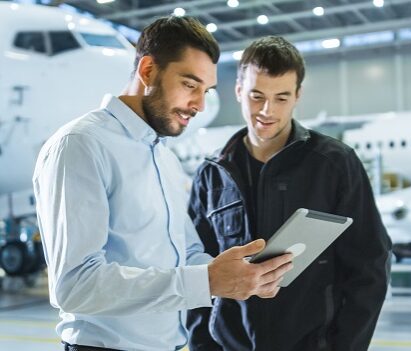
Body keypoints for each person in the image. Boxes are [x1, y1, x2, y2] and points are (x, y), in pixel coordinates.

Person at [32, 17, 293, 351]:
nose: (199, 104)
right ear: (147, 71)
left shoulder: (163, 157)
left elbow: (185, 254)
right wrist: (206, 280)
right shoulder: (82, 144)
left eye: (205, 91)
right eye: (189, 85)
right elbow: (76, 285)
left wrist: (242, 277)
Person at [187, 36, 392, 351]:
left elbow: (370, 265)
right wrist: (203, 346)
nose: (267, 111)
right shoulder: (212, 175)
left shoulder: (334, 164)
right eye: (256, 96)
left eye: (281, 98)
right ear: (238, 91)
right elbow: (196, 270)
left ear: (298, 96)